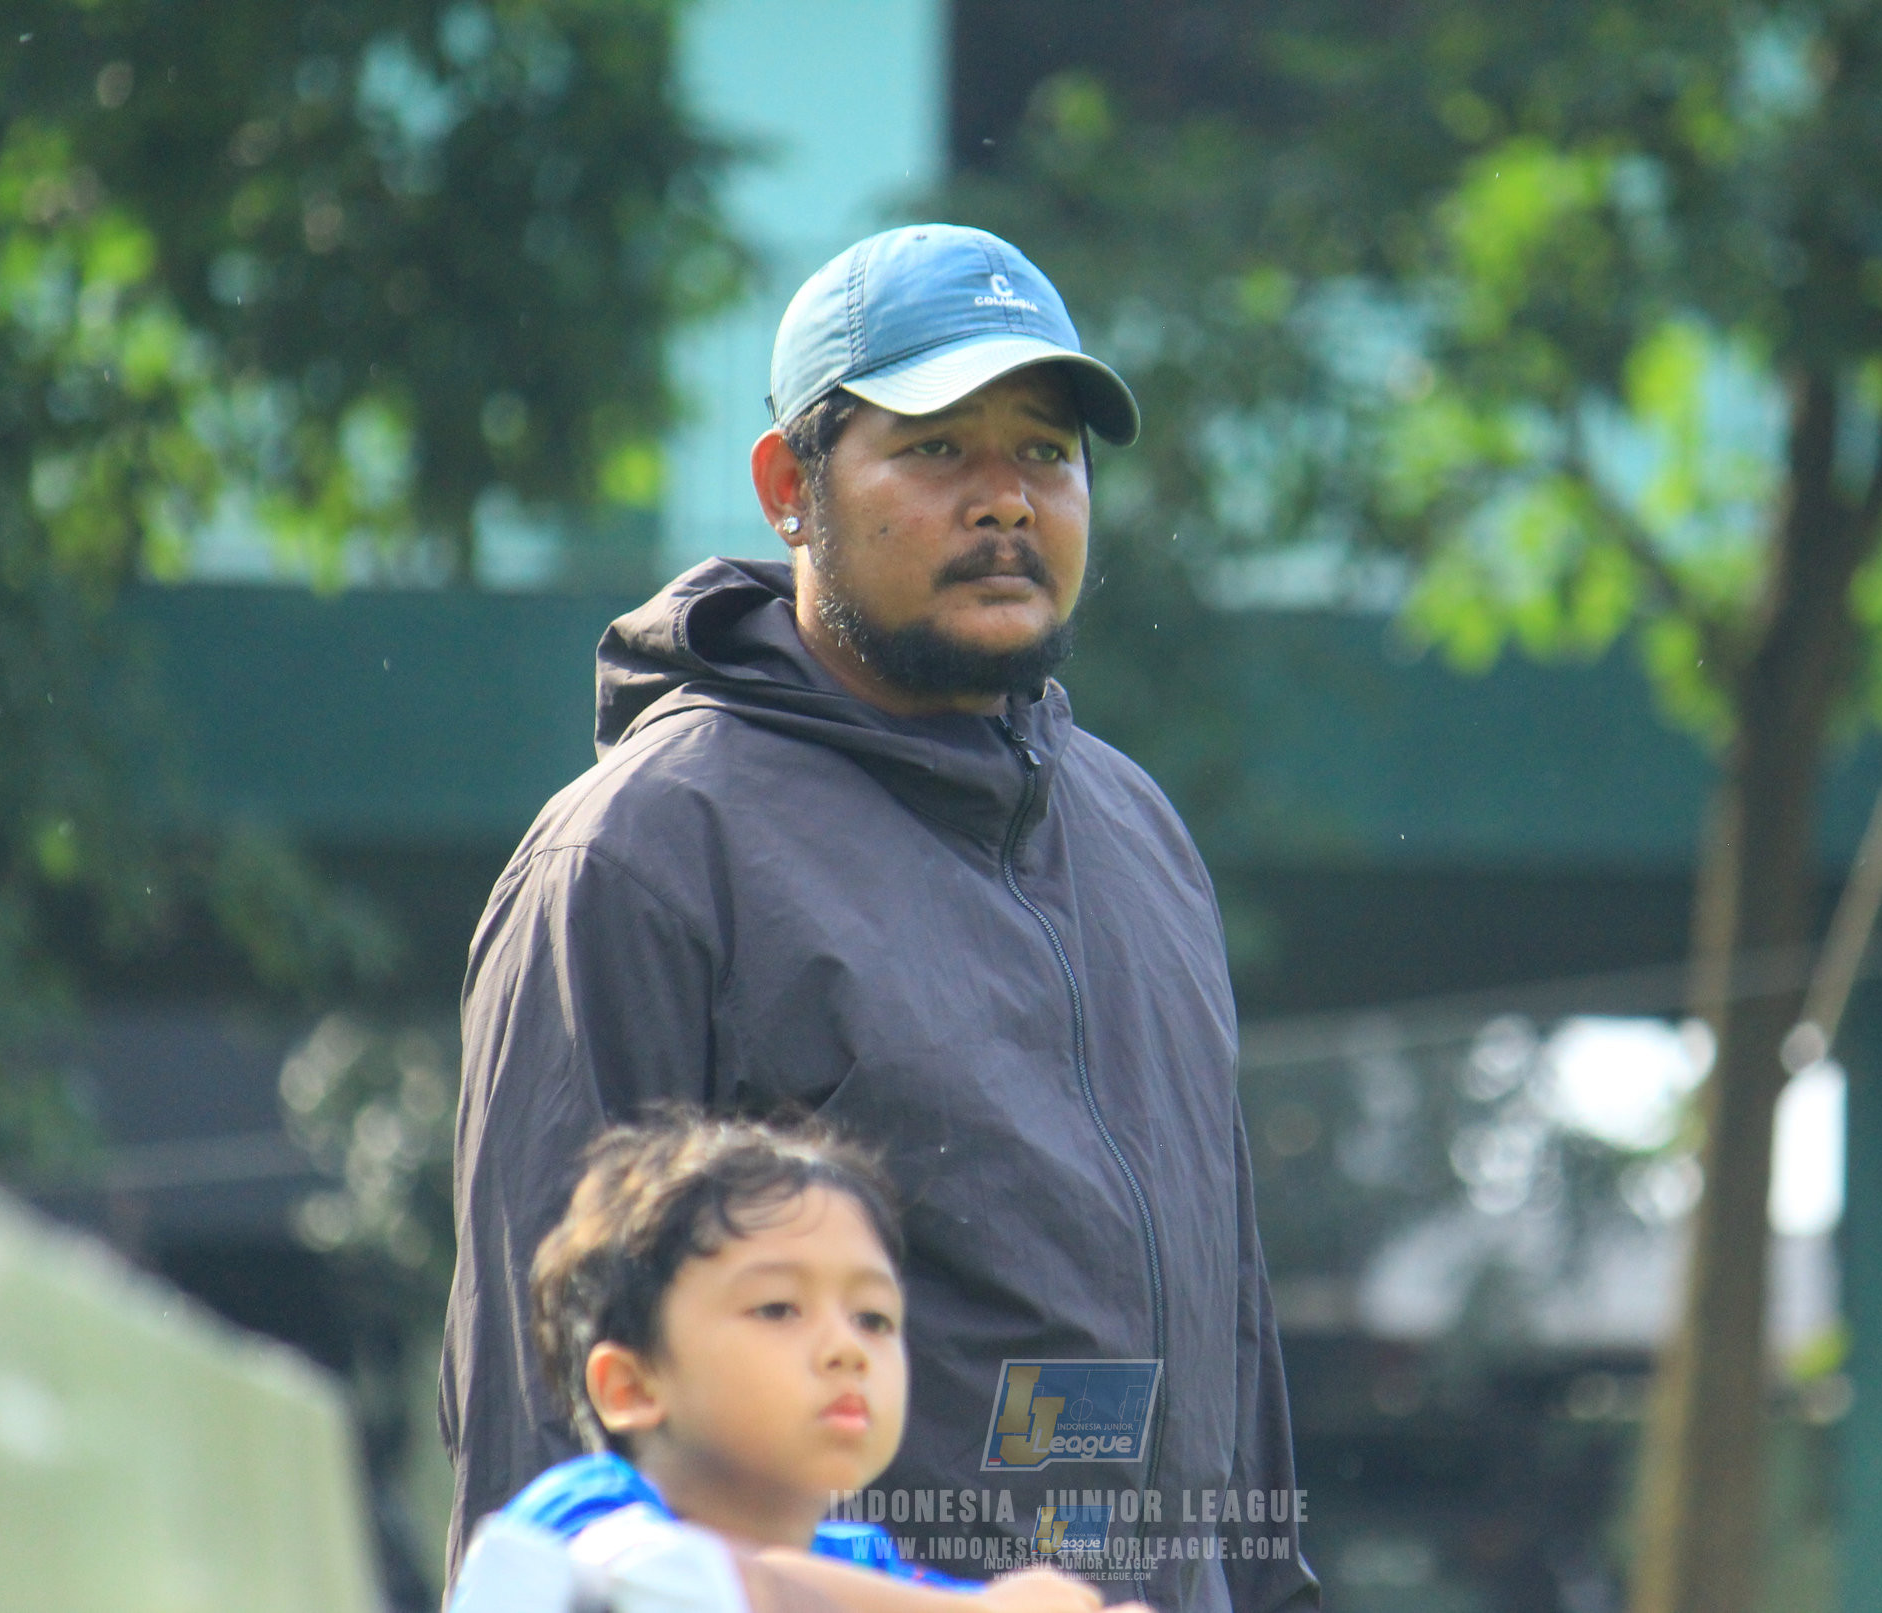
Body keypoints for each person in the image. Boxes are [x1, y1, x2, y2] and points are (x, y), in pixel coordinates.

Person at [444, 223, 1316, 1613]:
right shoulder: (642, 856)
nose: (1006, 502)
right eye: (935, 449)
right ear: (789, 486)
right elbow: (539, 1428)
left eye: (1043, 452)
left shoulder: (1141, 835)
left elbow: (1233, 1325)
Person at [452, 1111, 1136, 1613]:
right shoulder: (585, 1512)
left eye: (873, 1317)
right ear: (630, 1385)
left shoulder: (866, 1563)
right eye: (778, 1307)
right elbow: (674, 1577)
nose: (847, 1348)